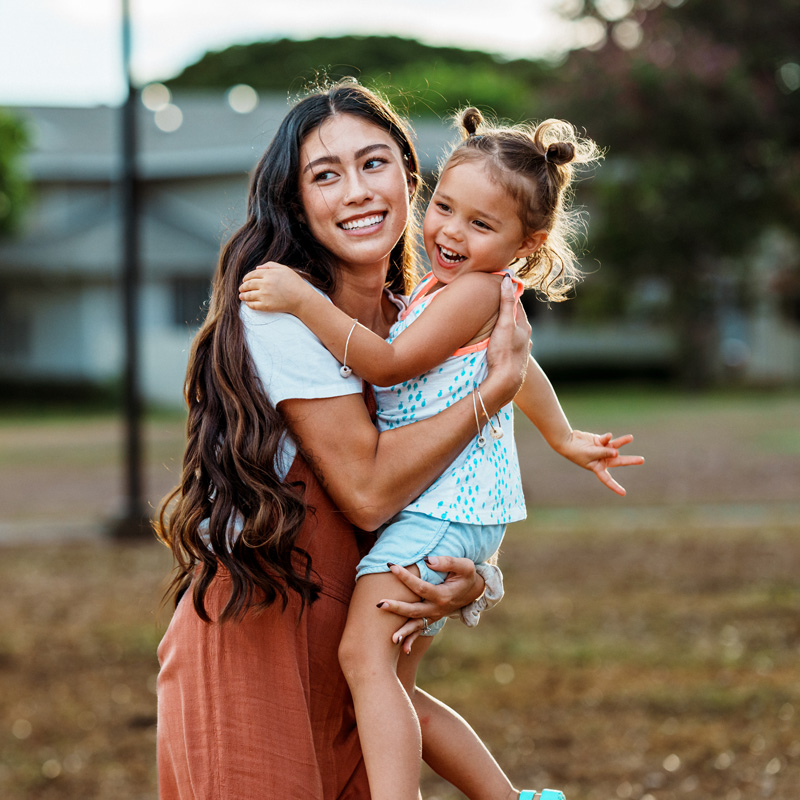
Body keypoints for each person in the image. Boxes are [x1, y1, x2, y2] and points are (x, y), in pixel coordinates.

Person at [156, 81, 553, 800]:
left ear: (410, 177)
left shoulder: (417, 323)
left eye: (373, 164)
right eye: (325, 175)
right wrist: (491, 394)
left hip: (356, 660)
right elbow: (370, 494)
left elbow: (456, 484)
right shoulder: (282, 316)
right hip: (256, 636)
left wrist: (470, 581)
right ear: (298, 201)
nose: (356, 192)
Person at [238, 107, 644, 800]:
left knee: (361, 658)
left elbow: (389, 364)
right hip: (449, 509)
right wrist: (560, 434)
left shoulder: (477, 291)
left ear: (527, 242)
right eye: (446, 209)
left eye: (480, 225)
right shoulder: (453, 291)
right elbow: (517, 366)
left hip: (443, 510)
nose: (451, 232)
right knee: (392, 682)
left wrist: (304, 302)